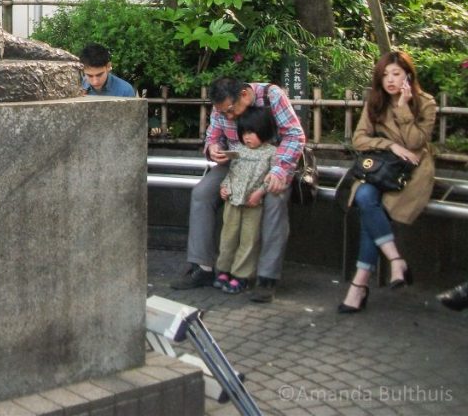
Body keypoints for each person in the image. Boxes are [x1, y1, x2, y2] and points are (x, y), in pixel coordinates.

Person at [171, 76, 305, 303]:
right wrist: (213, 149)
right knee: (202, 193)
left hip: (272, 165)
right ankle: (202, 267)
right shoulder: (221, 108)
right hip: (237, 166)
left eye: (230, 111)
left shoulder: (271, 96)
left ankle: (267, 278)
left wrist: (279, 170)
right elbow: (213, 136)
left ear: (244, 94)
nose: (228, 117)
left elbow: (294, 135)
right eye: (223, 113)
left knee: (275, 199)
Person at [338, 51, 437, 314]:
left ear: (408, 75)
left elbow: (416, 143)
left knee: (372, 211)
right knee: (364, 197)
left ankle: (359, 285)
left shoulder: (426, 103)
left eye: (396, 74)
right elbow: (359, 139)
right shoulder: (375, 101)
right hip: (382, 169)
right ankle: (395, 260)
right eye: (384, 75)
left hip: (411, 173)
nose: (390, 80)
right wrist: (389, 144)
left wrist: (404, 108)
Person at [214, 107, 277, 295]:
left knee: (249, 240)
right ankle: (224, 269)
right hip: (233, 199)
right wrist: (224, 187)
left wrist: (260, 193)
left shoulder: (272, 153)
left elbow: (271, 178)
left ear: (264, 131)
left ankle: (241, 275)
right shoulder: (237, 150)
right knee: (228, 236)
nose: (247, 137)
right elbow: (232, 173)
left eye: (251, 132)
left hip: (253, 203)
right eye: (244, 133)